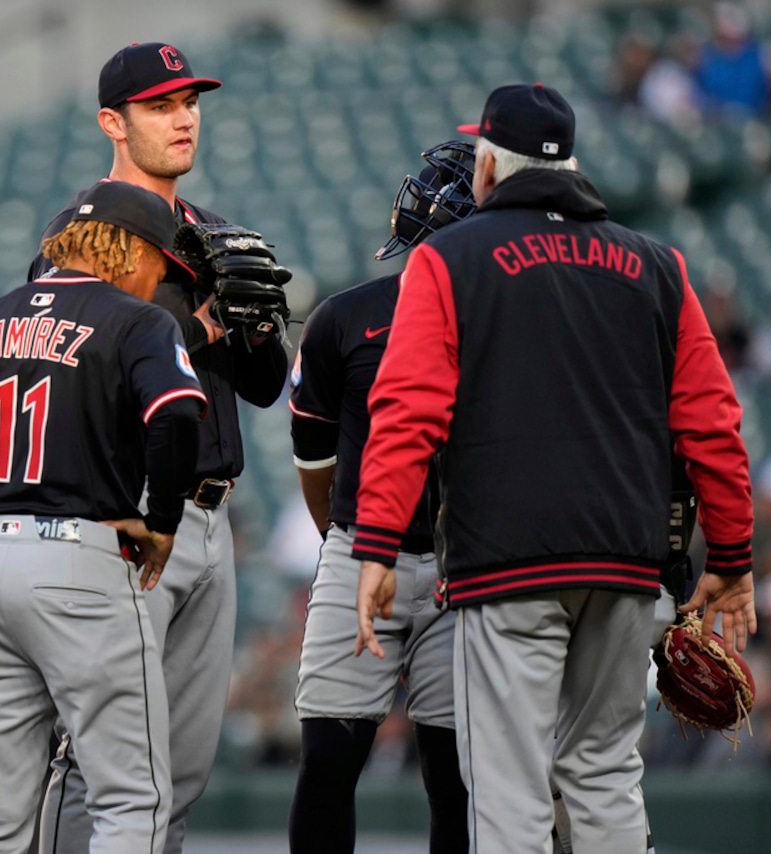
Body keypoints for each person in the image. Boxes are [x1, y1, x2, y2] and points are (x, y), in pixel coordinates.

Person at [352, 83, 755, 853]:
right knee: (604, 773)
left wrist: (375, 542)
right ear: (571, 164)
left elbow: (407, 413)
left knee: (509, 791)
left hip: (508, 565)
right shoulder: (657, 264)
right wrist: (733, 558)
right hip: (628, 565)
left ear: (485, 169)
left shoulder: (447, 258)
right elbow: (712, 423)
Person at [26, 42, 289, 853]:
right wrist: (196, 324)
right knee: (99, 762)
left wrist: (247, 326)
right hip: (124, 518)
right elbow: (66, 348)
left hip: (209, 520)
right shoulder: (85, 233)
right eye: (159, 106)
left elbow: (266, 383)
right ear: (113, 121)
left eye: (190, 102)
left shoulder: (210, 231)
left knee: (179, 770)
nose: (183, 118)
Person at [0, 179, 207, 853]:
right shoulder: (136, 321)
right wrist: (161, 522)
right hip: (76, 559)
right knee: (133, 797)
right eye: (161, 265)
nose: (160, 283)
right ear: (128, 252)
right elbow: (177, 414)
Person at [287, 141, 476, 854]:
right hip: (366, 547)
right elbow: (314, 451)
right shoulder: (345, 318)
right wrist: (345, 540)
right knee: (330, 756)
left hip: (467, 561)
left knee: (454, 774)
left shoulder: (502, 317)